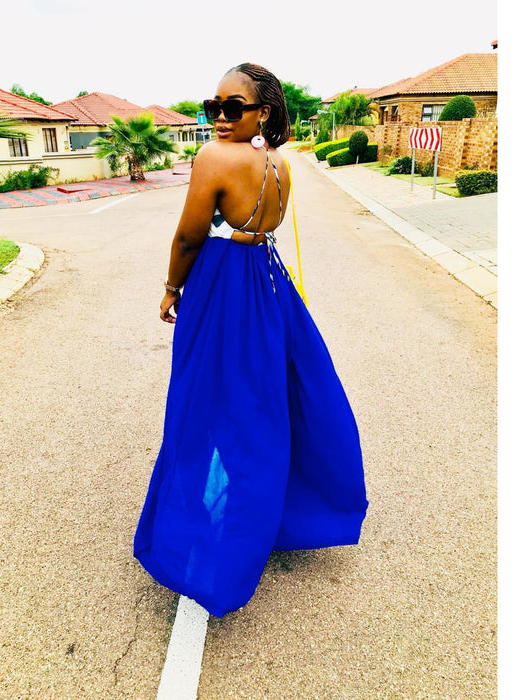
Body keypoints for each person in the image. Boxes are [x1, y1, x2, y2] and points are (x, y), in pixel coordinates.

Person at [133, 63, 368, 617]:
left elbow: (190, 236)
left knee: (208, 403)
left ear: (262, 111)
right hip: (267, 280)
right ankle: (281, 512)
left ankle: (213, 536)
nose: (219, 116)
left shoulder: (214, 157)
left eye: (233, 107)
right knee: (267, 402)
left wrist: (172, 288)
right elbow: (268, 224)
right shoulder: (279, 160)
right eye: (213, 106)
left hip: (223, 286)